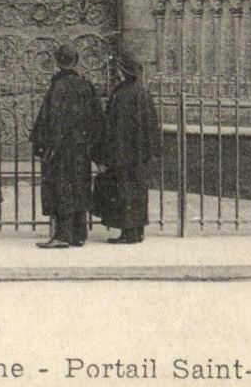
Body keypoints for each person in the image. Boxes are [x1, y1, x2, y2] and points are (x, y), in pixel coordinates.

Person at [30, 44, 104, 249]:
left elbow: (50, 119)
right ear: (77, 60)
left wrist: (44, 145)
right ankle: (79, 234)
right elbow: (97, 118)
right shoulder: (85, 85)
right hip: (80, 148)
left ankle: (62, 235)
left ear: (57, 61)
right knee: (79, 187)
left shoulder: (58, 87)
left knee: (61, 189)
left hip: (61, 150)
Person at [97, 50, 161, 244]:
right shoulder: (141, 90)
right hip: (139, 153)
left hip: (123, 153)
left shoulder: (124, 93)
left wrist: (107, 154)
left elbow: (115, 127)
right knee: (137, 190)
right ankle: (137, 229)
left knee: (125, 191)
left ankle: (129, 232)